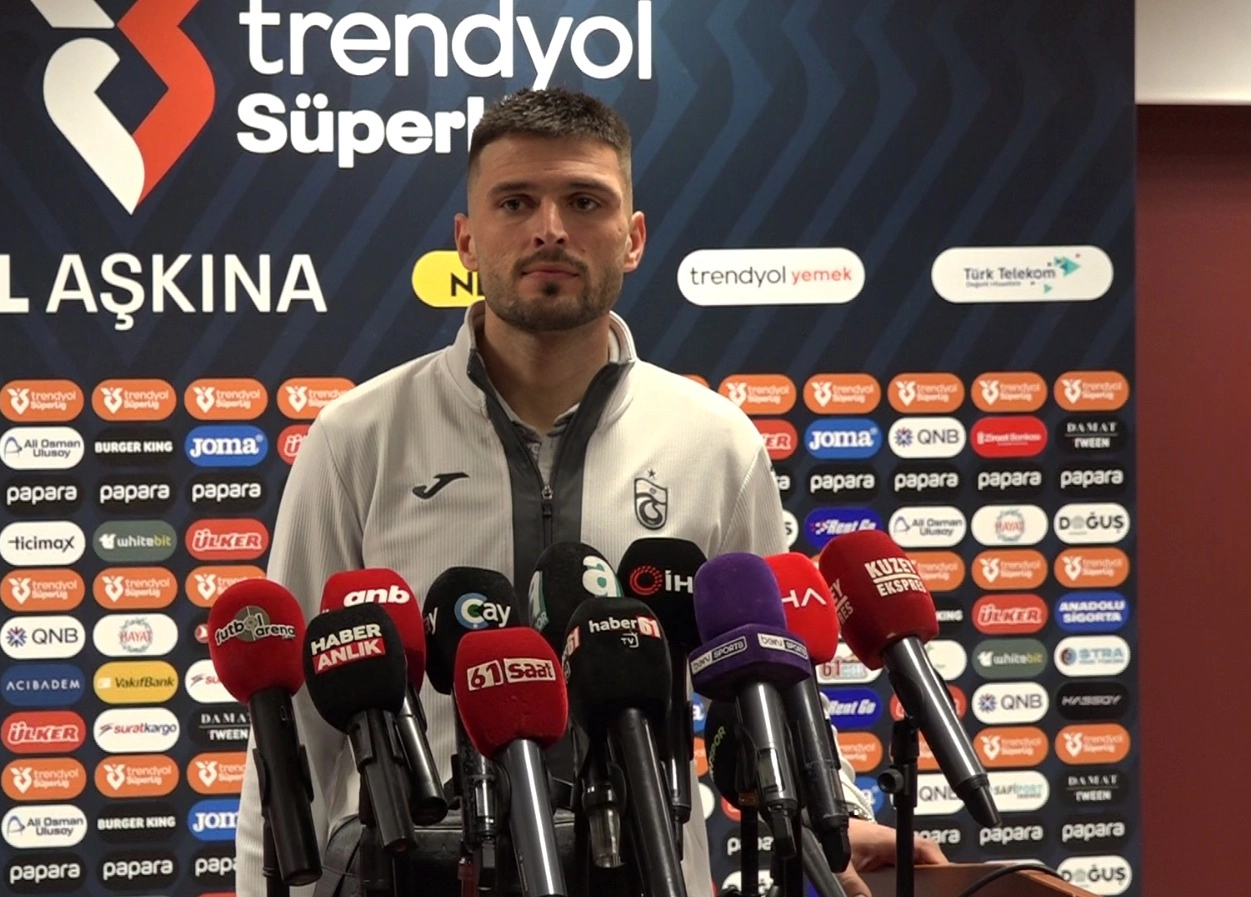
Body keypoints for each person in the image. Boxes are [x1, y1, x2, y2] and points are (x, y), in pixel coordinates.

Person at [234, 87, 945, 897]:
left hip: (655, 874)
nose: (550, 228)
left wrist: (834, 812)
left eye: (584, 201)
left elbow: (772, 671)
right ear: (466, 241)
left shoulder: (714, 441)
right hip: (423, 873)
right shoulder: (356, 438)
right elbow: (287, 724)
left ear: (632, 237)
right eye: (515, 202)